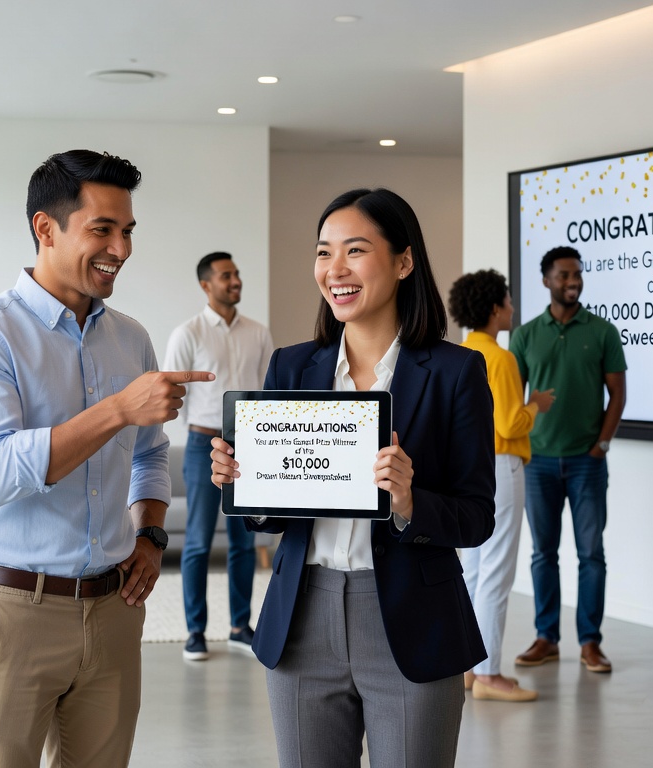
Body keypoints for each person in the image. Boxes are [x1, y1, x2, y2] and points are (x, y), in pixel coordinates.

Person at [0, 149, 213, 768]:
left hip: (114, 612)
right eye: (103, 230)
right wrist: (117, 408)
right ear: (45, 229)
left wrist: (149, 535)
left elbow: (148, 457)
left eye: (128, 231)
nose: (122, 247)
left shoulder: (131, 337)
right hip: (11, 613)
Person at [210, 188, 496, 767]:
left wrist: (410, 501)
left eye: (355, 250)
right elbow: (271, 516)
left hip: (413, 624)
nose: (334, 269)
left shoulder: (456, 371)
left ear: (403, 261)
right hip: (301, 621)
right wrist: (242, 484)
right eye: (323, 252)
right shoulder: (292, 366)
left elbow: (476, 516)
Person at [510, 245, 627, 674]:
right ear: (546, 280)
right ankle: (547, 637)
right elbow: (510, 399)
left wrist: (602, 445)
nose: (572, 281)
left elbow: (618, 395)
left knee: (591, 553)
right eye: (563, 275)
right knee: (544, 554)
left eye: (577, 274)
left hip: (587, 462)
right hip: (537, 460)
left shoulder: (602, 331)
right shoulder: (524, 335)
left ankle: (590, 642)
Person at [163, 252, 274, 661]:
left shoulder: (259, 334)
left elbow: (267, 392)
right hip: (202, 445)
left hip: (252, 446)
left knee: (245, 541)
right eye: (227, 276)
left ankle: (239, 626)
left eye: (237, 273)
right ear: (206, 285)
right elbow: (173, 398)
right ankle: (195, 631)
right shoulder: (187, 334)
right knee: (197, 542)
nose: (236, 280)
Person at [448, 269, 553, 702]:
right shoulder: (501, 358)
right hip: (502, 467)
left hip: (466, 469)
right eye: (508, 300)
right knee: (497, 573)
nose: (512, 307)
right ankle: (490, 674)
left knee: (471, 570)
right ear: (494, 308)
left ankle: (468, 668)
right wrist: (536, 404)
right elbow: (510, 422)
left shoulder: (460, 351)